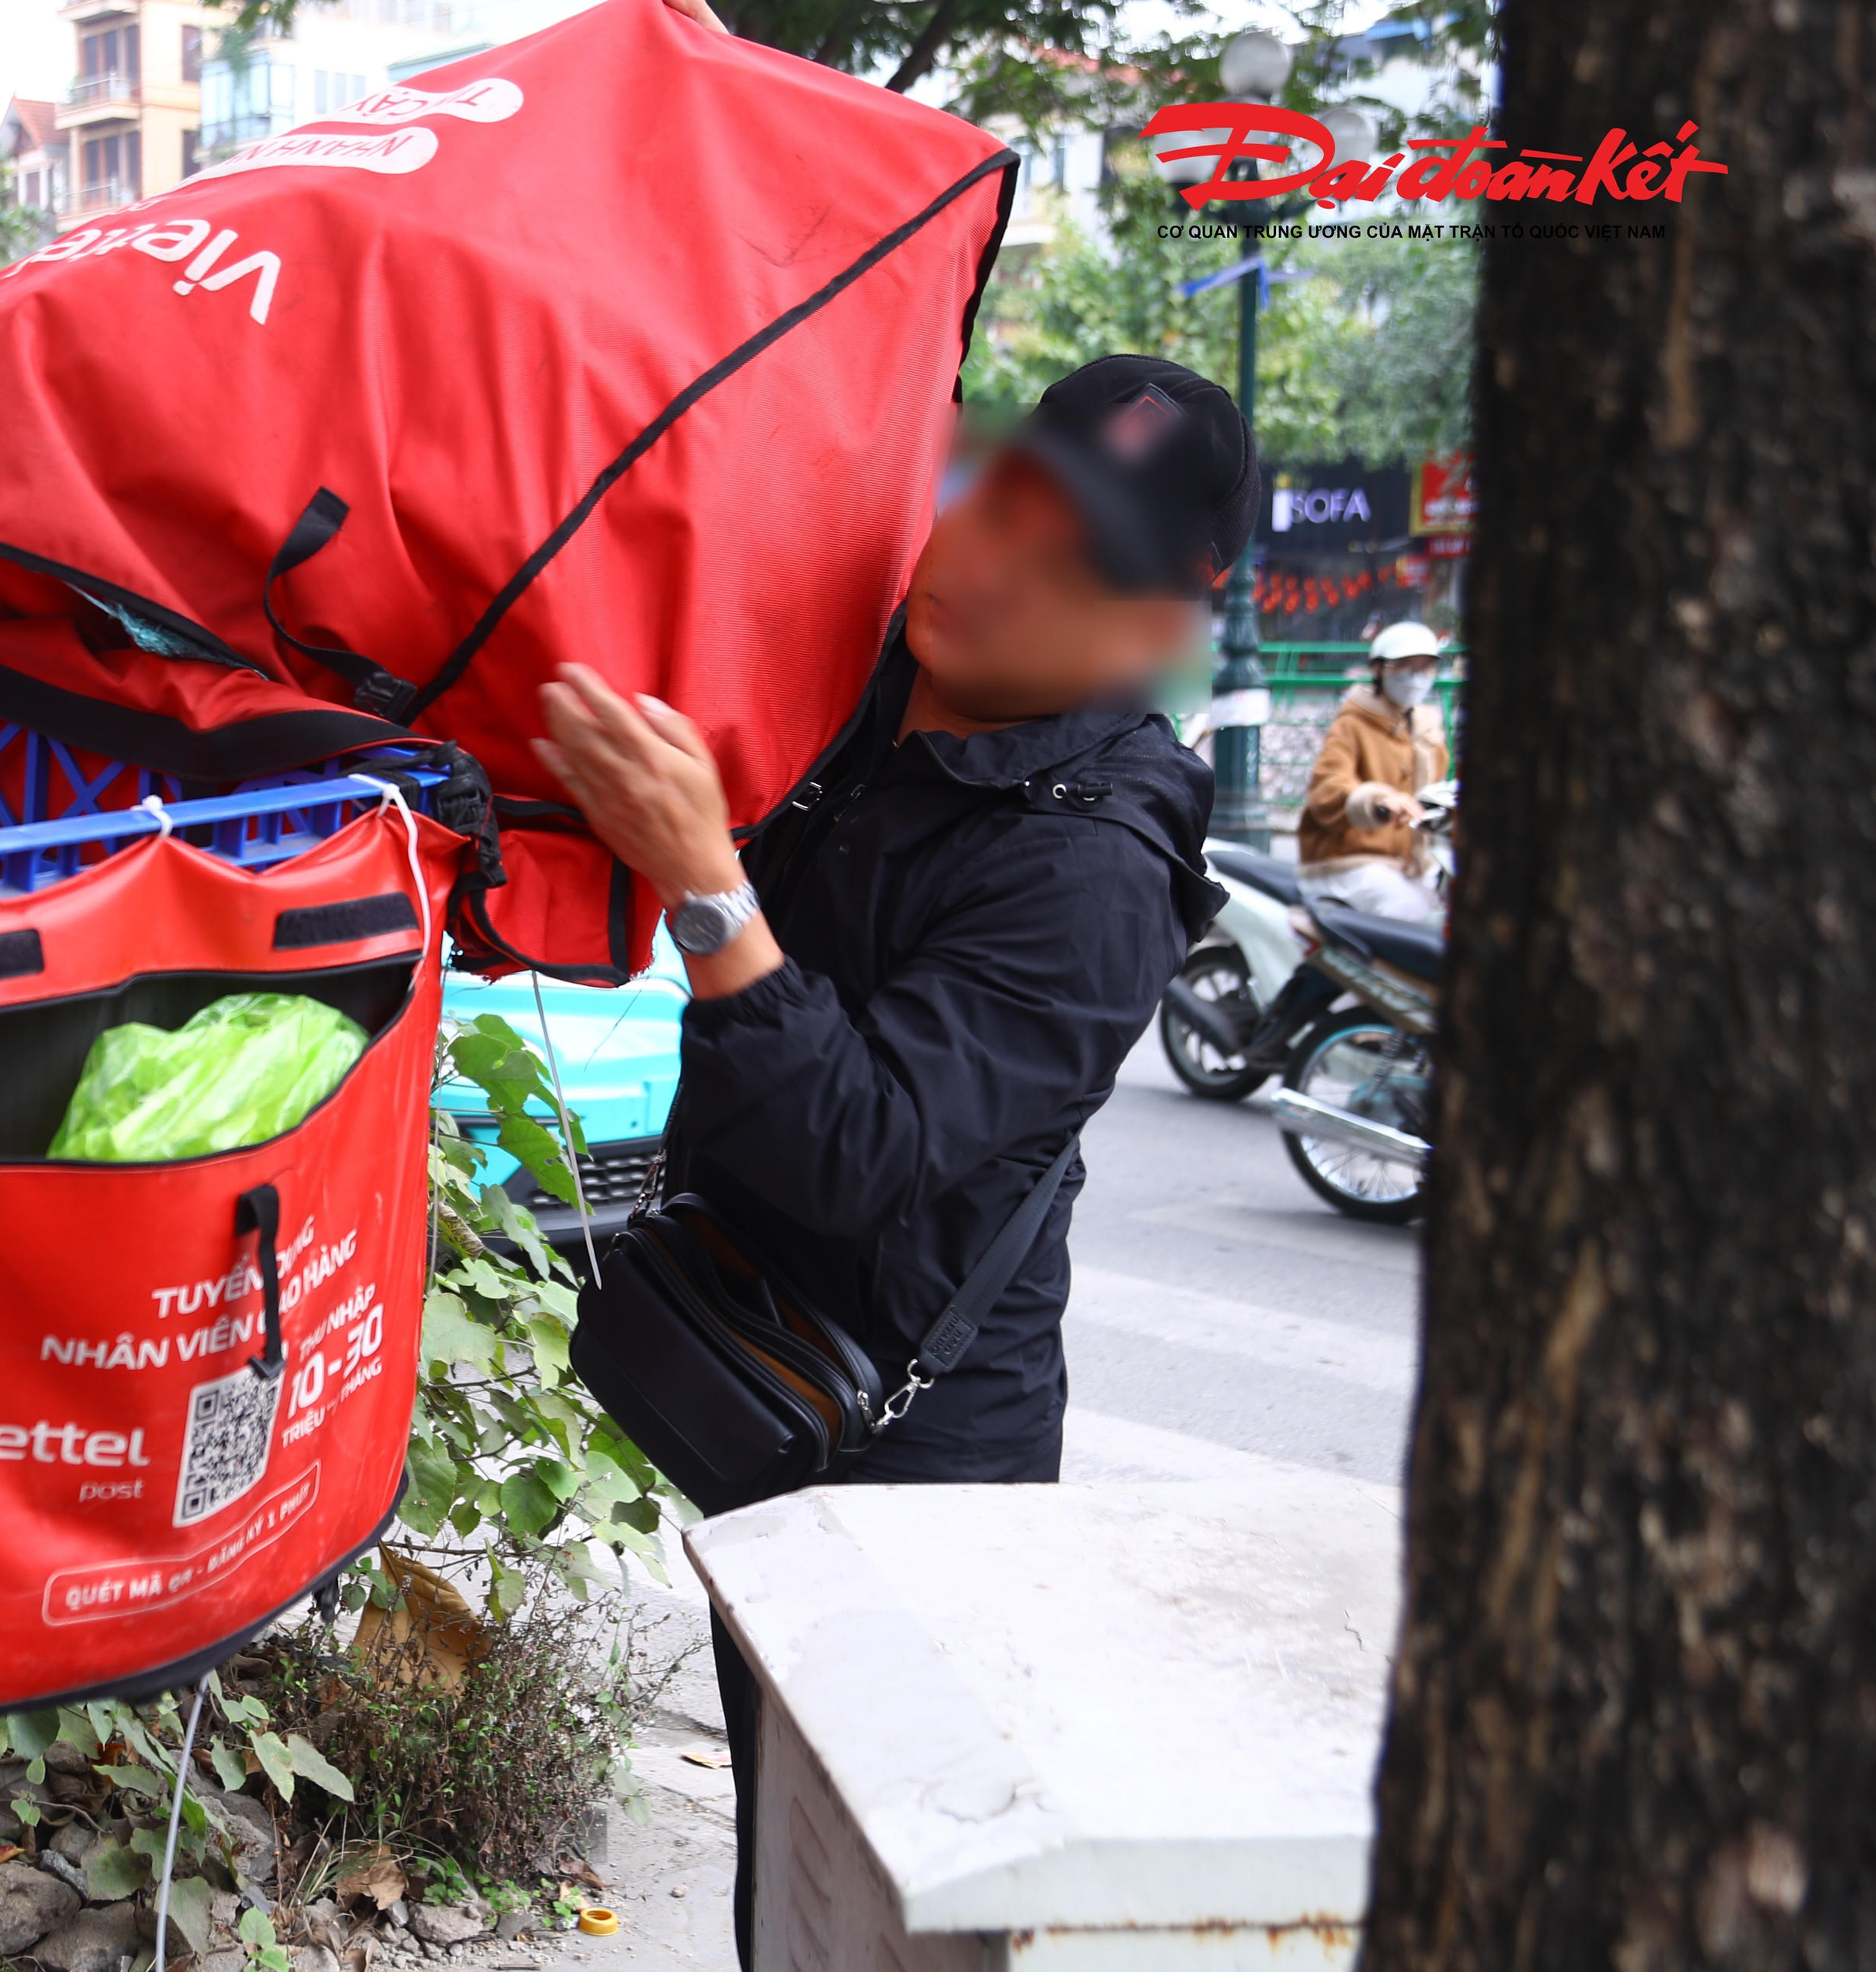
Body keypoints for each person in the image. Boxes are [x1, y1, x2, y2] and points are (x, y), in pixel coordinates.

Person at [533, 354, 1255, 1967]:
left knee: (889, 1909)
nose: (998, 564)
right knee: (787, 1866)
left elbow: (862, 1147)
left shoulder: (1094, 869)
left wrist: (706, 885)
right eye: (1006, 500)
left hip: (923, 1475)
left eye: (1076, 564)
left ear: (1150, 631)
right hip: (771, 1376)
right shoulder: (856, 678)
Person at [1295, 620, 1450, 924]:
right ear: (1379, 670)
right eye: (1404, 666)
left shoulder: (1428, 733)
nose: (1416, 677)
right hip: (1346, 861)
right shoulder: (1351, 724)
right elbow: (1328, 786)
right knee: (1406, 912)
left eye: (1425, 668)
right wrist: (1376, 802)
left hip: (1408, 863)